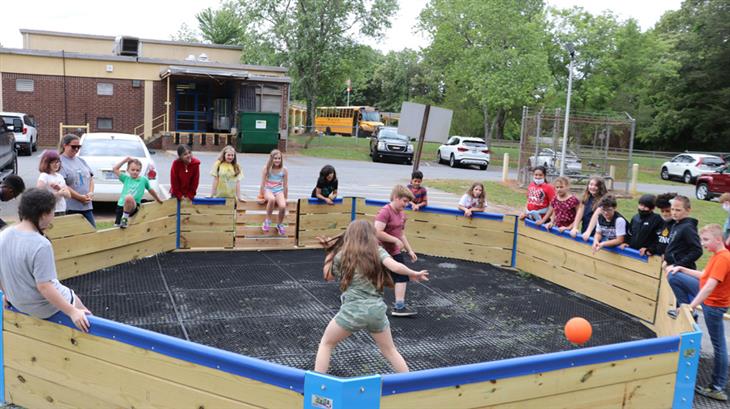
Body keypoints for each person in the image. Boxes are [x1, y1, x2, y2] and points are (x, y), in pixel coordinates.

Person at [313, 220, 429, 374]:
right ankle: (409, 384)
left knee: (326, 344)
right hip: (376, 311)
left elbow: (328, 276)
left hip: (352, 311)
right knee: (390, 350)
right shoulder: (377, 251)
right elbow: (394, 266)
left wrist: (329, 253)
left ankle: (318, 383)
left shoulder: (343, 255)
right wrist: (413, 273)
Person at [0, 188, 91, 332]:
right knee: (85, 315)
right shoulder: (41, 244)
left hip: (19, 302)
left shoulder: (3, 235)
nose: (53, 216)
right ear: (44, 214)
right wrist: (72, 312)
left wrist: (7, 294)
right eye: (53, 212)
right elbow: (45, 287)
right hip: (43, 307)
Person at [666, 224, 730, 401]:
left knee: (719, 345)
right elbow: (704, 276)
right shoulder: (717, 256)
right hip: (708, 299)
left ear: (719, 239)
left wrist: (692, 306)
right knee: (674, 275)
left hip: (714, 306)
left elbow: (710, 286)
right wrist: (682, 268)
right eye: (702, 240)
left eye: (706, 240)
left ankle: (717, 387)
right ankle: (686, 311)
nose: (702, 244)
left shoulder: (724, 258)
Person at [375, 185, 418, 316]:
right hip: (379, 250)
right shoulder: (385, 211)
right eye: (404, 201)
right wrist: (394, 240)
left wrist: (410, 250)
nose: (406, 204)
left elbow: (401, 234)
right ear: (395, 198)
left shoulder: (401, 214)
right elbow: (377, 232)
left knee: (401, 276)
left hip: (394, 251)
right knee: (371, 276)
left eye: (408, 202)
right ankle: (350, 297)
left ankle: (399, 306)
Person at [112, 157, 164, 228]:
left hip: (134, 205)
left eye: (137, 170)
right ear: (128, 170)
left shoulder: (143, 180)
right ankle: (123, 221)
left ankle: (125, 218)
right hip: (121, 206)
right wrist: (125, 160)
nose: (135, 172)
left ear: (140, 171)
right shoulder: (126, 178)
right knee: (117, 228)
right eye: (132, 170)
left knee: (129, 197)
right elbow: (115, 169)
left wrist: (157, 199)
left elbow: (150, 190)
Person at [59, 134, 95, 227]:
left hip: (86, 206)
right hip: (70, 208)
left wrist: (90, 193)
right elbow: (63, 184)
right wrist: (80, 197)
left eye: (78, 147)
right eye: (73, 146)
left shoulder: (81, 160)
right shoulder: (59, 162)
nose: (76, 149)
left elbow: (91, 178)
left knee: (92, 233)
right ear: (65, 145)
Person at [663, 195, 703, 271]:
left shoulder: (687, 228)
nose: (674, 213)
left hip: (681, 270)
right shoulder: (676, 224)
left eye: (678, 210)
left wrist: (677, 265)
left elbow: (697, 251)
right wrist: (667, 260)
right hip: (671, 268)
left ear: (688, 210)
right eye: (672, 209)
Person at [259, 149, 289, 235]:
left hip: (279, 191)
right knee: (271, 199)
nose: (277, 160)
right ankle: (267, 221)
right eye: (275, 158)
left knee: (283, 206)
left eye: (279, 158)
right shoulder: (266, 168)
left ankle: (279, 224)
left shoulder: (284, 170)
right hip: (268, 190)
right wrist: (261, 196)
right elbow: (262, 184)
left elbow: (285, 185)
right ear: (271, 159)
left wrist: (285, 197)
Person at [36, 150, 70, 217]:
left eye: (57, 162)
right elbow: (39, 195)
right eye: (52, 162)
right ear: (46, 163)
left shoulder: (60, 176)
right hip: (49, 211)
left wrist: (61, 190)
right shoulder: (44, 175)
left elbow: (68, 195)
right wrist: (58, 193)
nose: (56, 164)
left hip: (61, 209)